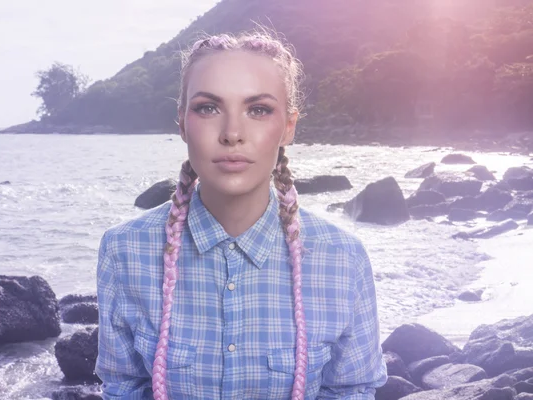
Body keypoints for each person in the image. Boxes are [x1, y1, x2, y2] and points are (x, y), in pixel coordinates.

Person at [94, 29, 387, 400]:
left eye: (258, 110)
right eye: (208, 108)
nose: (233, 133)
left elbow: (350, 391)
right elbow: (123, 388)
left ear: (289, 127)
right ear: (183, 123)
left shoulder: (343, 259)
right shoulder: (124, 251)